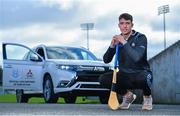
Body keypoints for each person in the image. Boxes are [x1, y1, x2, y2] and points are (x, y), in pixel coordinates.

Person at [99, 13, 153, 110]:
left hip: (139, 73)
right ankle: (128, 96)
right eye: (122, 23)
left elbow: (136, 57)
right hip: (125, 75)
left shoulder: (140, 38)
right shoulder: (118, 39)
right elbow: (106, 60)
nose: (125, 26)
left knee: (145, 77)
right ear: (118, 25)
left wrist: (124, 42)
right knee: (103, 78)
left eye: (127, 23)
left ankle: (147, 97)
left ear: (132, 25)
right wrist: (112, 46)